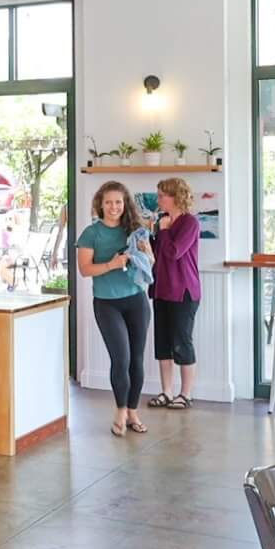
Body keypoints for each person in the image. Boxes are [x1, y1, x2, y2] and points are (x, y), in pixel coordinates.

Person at [74, 181, 153, 436]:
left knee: (137, 360)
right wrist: (111, 264)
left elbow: (151, 260)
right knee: (121, 359)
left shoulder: (136, 229)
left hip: (136, 301)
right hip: (107, 304)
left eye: (118, 202)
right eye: (108, 202)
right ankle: (120, 410)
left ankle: (133, 411)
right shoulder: (90, 233)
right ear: (100, 204)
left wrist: (144, 253)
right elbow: (85, 270)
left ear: (124, 204)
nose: (114, 207)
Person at [144, 177, 203, 410]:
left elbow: (174, 252)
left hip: (183, 292)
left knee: (182, 343)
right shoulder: (162, 222)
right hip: (161, 290)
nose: (158, 200)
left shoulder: (190, 223)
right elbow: (158, 254)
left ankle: (185, 394)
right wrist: (151, 236)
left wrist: (165, 231)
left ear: (175, 197)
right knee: (163, 344)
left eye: (161, 195)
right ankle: (166, 392)